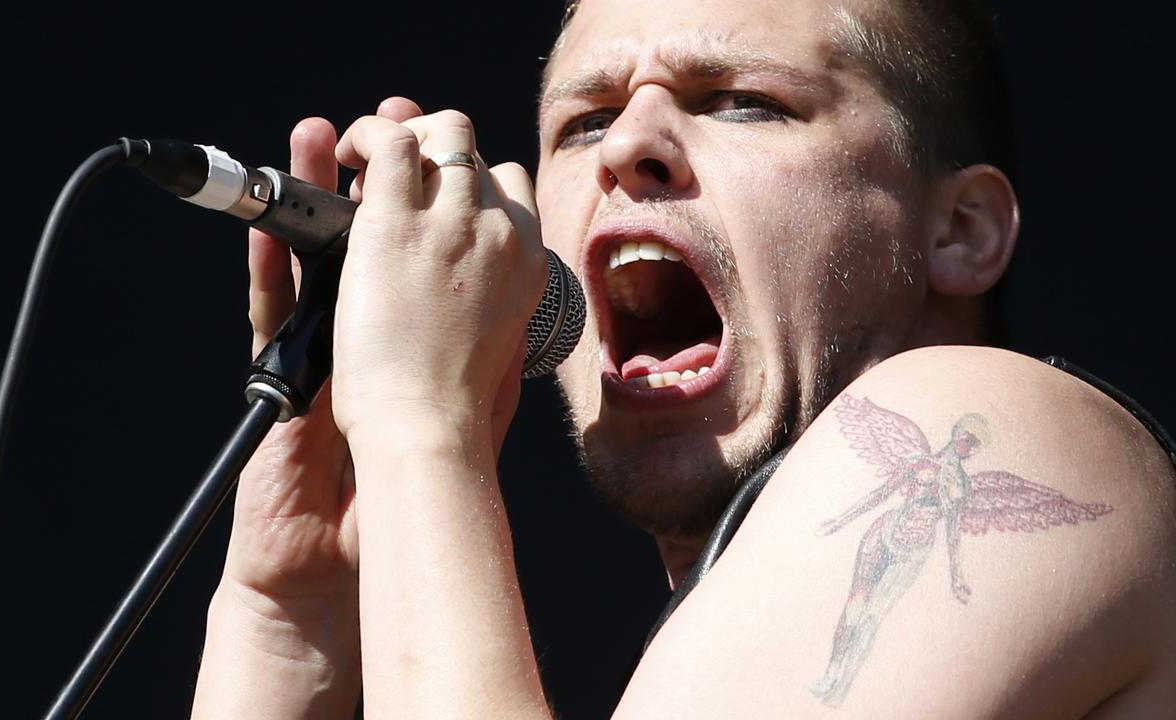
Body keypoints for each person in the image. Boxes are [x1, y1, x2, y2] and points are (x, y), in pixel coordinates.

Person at [190, 0, 1176, 717]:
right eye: (583, 122)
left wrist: (417, 432)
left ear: (957, 230)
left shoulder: (1000, 421)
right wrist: (290, 617)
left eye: (741, 102)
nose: (628, 144)